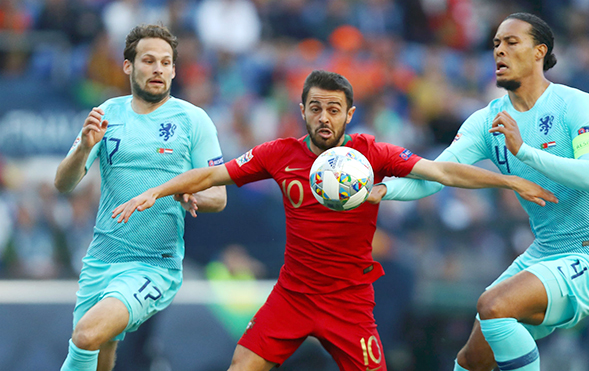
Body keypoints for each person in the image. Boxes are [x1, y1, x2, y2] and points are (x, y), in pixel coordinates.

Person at [112, 69, 556, 371]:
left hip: (349, 302)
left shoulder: (371, 153)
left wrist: (510, 182)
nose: (324, 118)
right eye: (315, 108)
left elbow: (440, 170)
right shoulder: (278, 154)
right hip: (292, 295)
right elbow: (213, 173)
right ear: (302, 110)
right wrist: (156, 190)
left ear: (349, 113)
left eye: (333, 109)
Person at [369, 12, 589, 371]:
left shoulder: (575, 104)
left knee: (493, 305)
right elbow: (437, 173)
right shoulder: (486, 121)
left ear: (539, 52)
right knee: (473, 357)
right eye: (495, 44)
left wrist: (524, 152)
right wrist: (380, 189)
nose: (499, 51)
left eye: (511, 42)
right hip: (545, 253)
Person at [54, 24, 227, 371]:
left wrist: (190, 194)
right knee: (101, 351)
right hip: (101, 258)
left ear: (175, 70)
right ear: (128, 66)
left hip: (153, 264)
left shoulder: (194, 120)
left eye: (166, 62)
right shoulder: (106, 115)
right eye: (149, 60)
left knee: (86, 336)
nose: (158, 69)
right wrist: (83, 149)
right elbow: (63, 183)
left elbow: (218, 196)